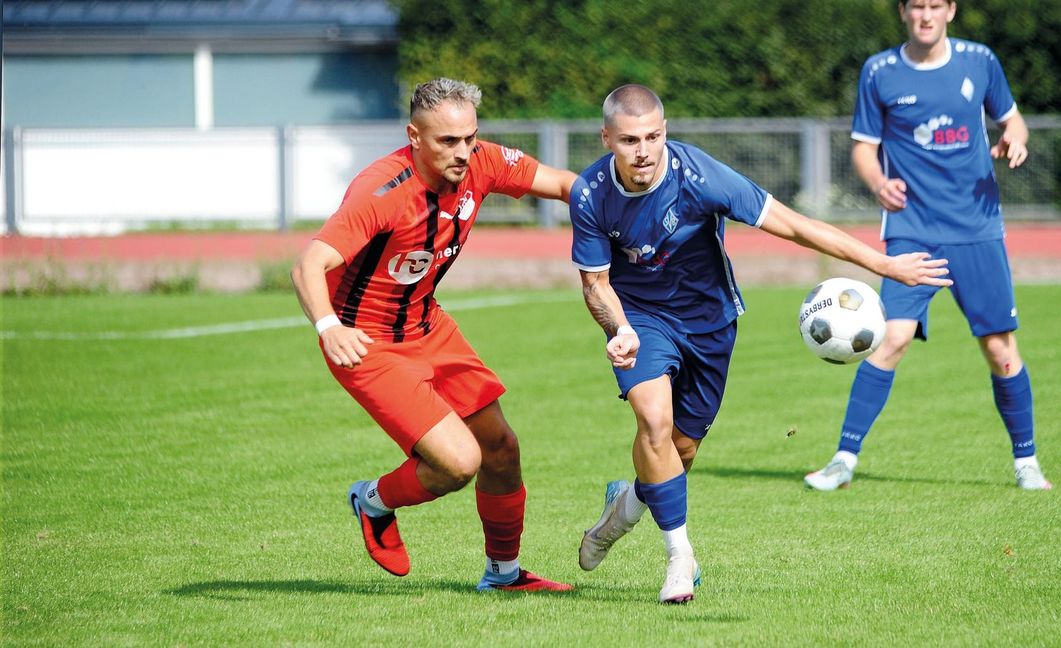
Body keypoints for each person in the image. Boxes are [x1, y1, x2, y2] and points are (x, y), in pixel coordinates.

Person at [570, 84, 952, 604]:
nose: (644, 151)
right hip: (641, 319)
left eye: (654, 136)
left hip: (709, 323)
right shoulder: (590, 193)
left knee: (679, 451)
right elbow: (595, 284)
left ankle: (625, 509)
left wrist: (884, 265)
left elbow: (794, 226)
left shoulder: (700, 175)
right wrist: (621, 328)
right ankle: (680, 558)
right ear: (607, 138)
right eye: (630, 140)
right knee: (653, 422)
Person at [291, 78, 576, 592]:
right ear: (414, 136)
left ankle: (504, 575)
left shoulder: (482, 161)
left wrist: (627, 208)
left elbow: (561, 185)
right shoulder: (380, 191)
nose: (464, 152)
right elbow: (309, 264)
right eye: (448, 141)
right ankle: (373, 501)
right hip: (367, 343)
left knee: (502, 449)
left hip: (429, 323)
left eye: (470, 137)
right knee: (459, 462)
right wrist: (329, 327)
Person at [803, 0, 1052, 492]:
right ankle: (843, 460)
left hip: (976, 228)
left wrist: (1015, 140)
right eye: (917, 5)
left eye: (935, 5)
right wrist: (877, 183)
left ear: (951, 11)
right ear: (903, 12)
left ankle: (1026, 462)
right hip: (911, 229)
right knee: (889, 338)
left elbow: (1013, 120)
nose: (926, 14)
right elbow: (863, 147)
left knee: (999, 347)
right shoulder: (879, 71)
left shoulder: (980, 62)